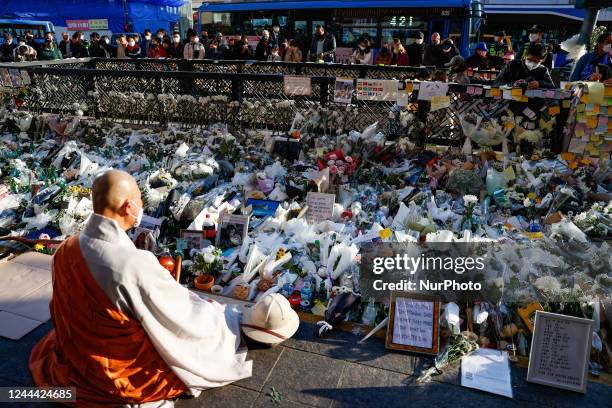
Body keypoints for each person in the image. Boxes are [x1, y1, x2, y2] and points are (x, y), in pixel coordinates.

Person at [29, 170, 252, 407]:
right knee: (211, 330)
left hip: (77, 352)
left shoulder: (67, 246)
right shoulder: (132, 263)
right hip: (118, 371)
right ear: (128, 207)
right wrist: (220, 315)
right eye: (140, 200)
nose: (142, 206)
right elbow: (182, 315)